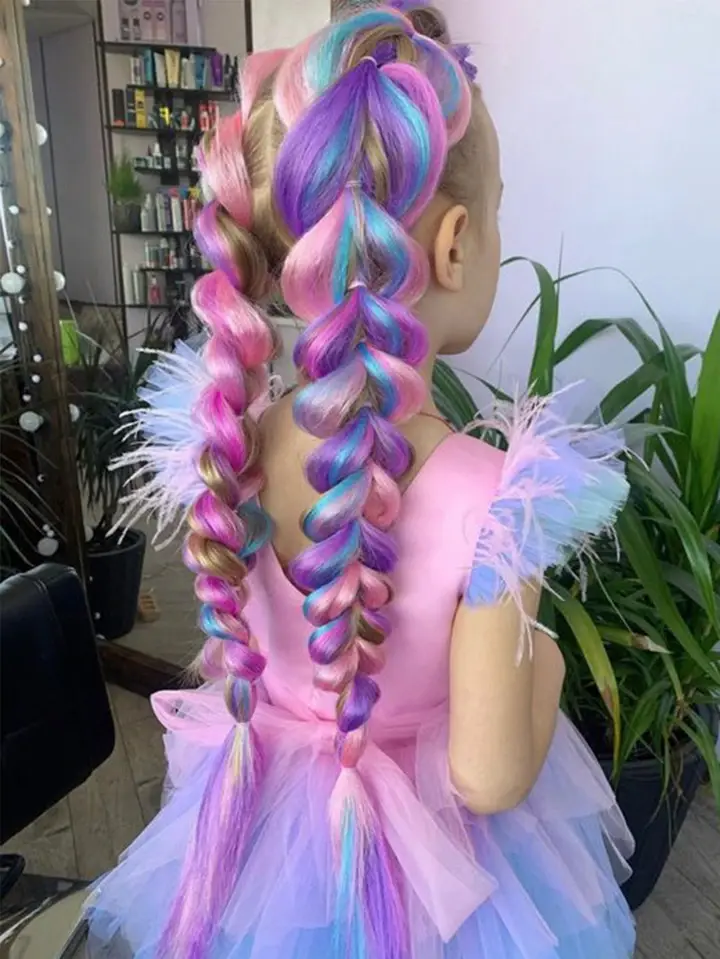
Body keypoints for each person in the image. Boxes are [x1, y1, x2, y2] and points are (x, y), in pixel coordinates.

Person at [88, 4, 636, 957]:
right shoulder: (496, 500)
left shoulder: (228, 440)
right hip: (440, 878)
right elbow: (488, 777)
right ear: (457, 242)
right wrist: (544, 662)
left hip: (261, 835)